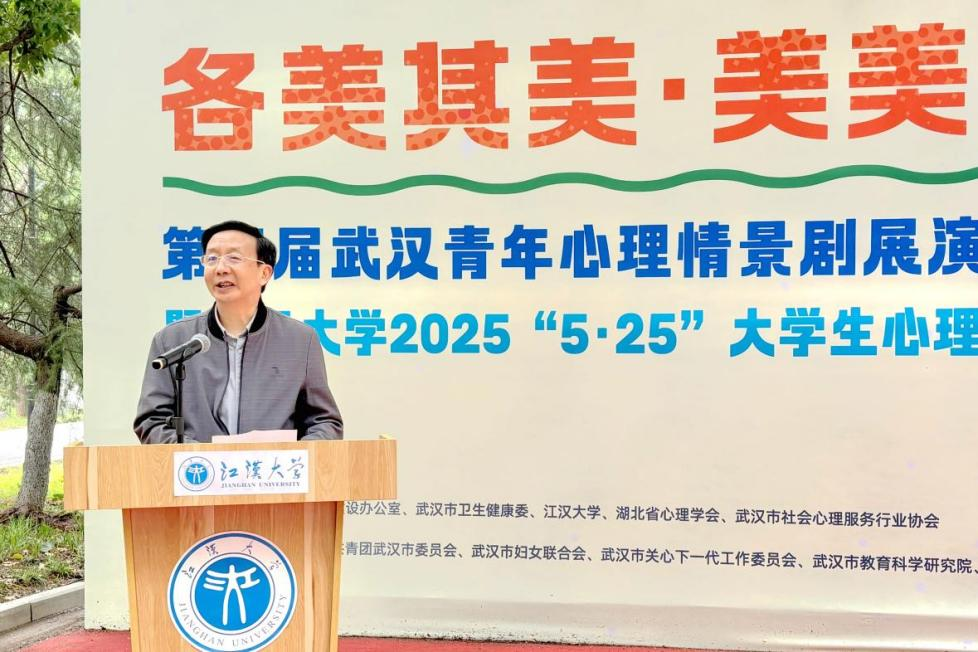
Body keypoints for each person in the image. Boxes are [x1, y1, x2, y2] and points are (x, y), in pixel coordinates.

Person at [134, 220, 343, 443]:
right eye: (212, 259)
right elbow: (152, 421)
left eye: (234, 258)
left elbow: (324, 423)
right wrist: (199, 456)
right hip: (198, 465)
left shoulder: (300, 340)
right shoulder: (172, 340)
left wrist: (293, 456)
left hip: (273, 466)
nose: (221, 268)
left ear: (264, 273)